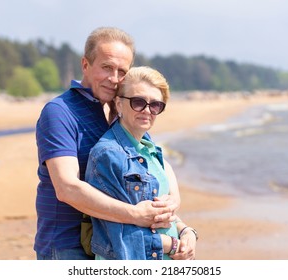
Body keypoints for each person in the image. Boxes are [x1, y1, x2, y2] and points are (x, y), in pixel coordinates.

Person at [34, 27, 179, 260]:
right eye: (106, 67)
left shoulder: (120, 110)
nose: (114, 79)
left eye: (122, 71)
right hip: (66, 246)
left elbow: (156, 161)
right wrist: (135, 214)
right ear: (85, 65)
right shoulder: (60, 112)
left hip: (111, 244)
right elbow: (67, 188)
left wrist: (173, 204)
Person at [85, 66, 198, 260]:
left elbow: (160, 214)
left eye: (155, 105)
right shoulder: (108, 155)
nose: (147, 111)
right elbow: (117, 234)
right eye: (138, 102)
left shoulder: (150, 149)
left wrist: (186, 232)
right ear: (119, 103)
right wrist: (173, 245)